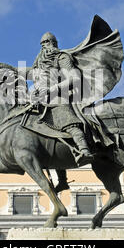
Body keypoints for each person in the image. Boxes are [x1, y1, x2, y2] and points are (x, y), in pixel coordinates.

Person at [28, 32, 95, 166]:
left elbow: (75, 78)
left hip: (60, 97)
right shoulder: (39, 65)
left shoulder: (62, 57)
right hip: (39, 101)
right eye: (42, 44)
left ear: (54, 43)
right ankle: (61, 178)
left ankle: (84, 150)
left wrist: (54, 89)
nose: (45, 46)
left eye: (47, 42)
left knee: (69, 123)